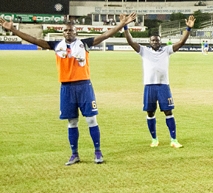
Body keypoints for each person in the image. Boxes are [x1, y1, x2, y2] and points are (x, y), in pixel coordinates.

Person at [2, 13, 137, 165]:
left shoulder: (84, 44)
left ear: (76, 32)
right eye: (66, 31)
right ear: (63, 32)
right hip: (66, 88)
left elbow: (106, 35)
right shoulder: (56, 46)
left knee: (91, 119)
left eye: (71, 30)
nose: (68, 33)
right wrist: (13, 30)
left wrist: (122, 24)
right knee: (72, 122)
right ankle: (74, 154)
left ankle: (98, 152)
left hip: (84, 86)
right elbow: (34, 40)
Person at [123, 15, 194, 148]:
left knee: (168, 112)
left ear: (160, 42)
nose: (155, 42)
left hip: (163, 86)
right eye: (153, 40)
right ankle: (154, 139)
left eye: (157, 40)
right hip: (149, 86)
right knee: (150, 113)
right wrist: (125, 27)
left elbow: (180, 43)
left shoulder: (166, 50)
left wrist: (188, 29)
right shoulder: (144, 51)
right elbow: (131, 42)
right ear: (150, 42)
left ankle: (173, 140)